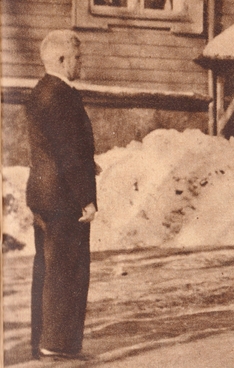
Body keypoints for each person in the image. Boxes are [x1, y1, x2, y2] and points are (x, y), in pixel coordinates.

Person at [26, 29, 95, 361]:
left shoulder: (41, 91)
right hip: (64, 200)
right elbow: (67, 153)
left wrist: (88, 163)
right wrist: (86, 199)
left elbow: (52, 146)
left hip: (44, 195)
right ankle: (57, 344)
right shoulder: (62, 95)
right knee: (67, 270)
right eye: (78, 57)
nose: (82, 63)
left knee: (47, 269)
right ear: (61, 59)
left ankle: (42, 339)